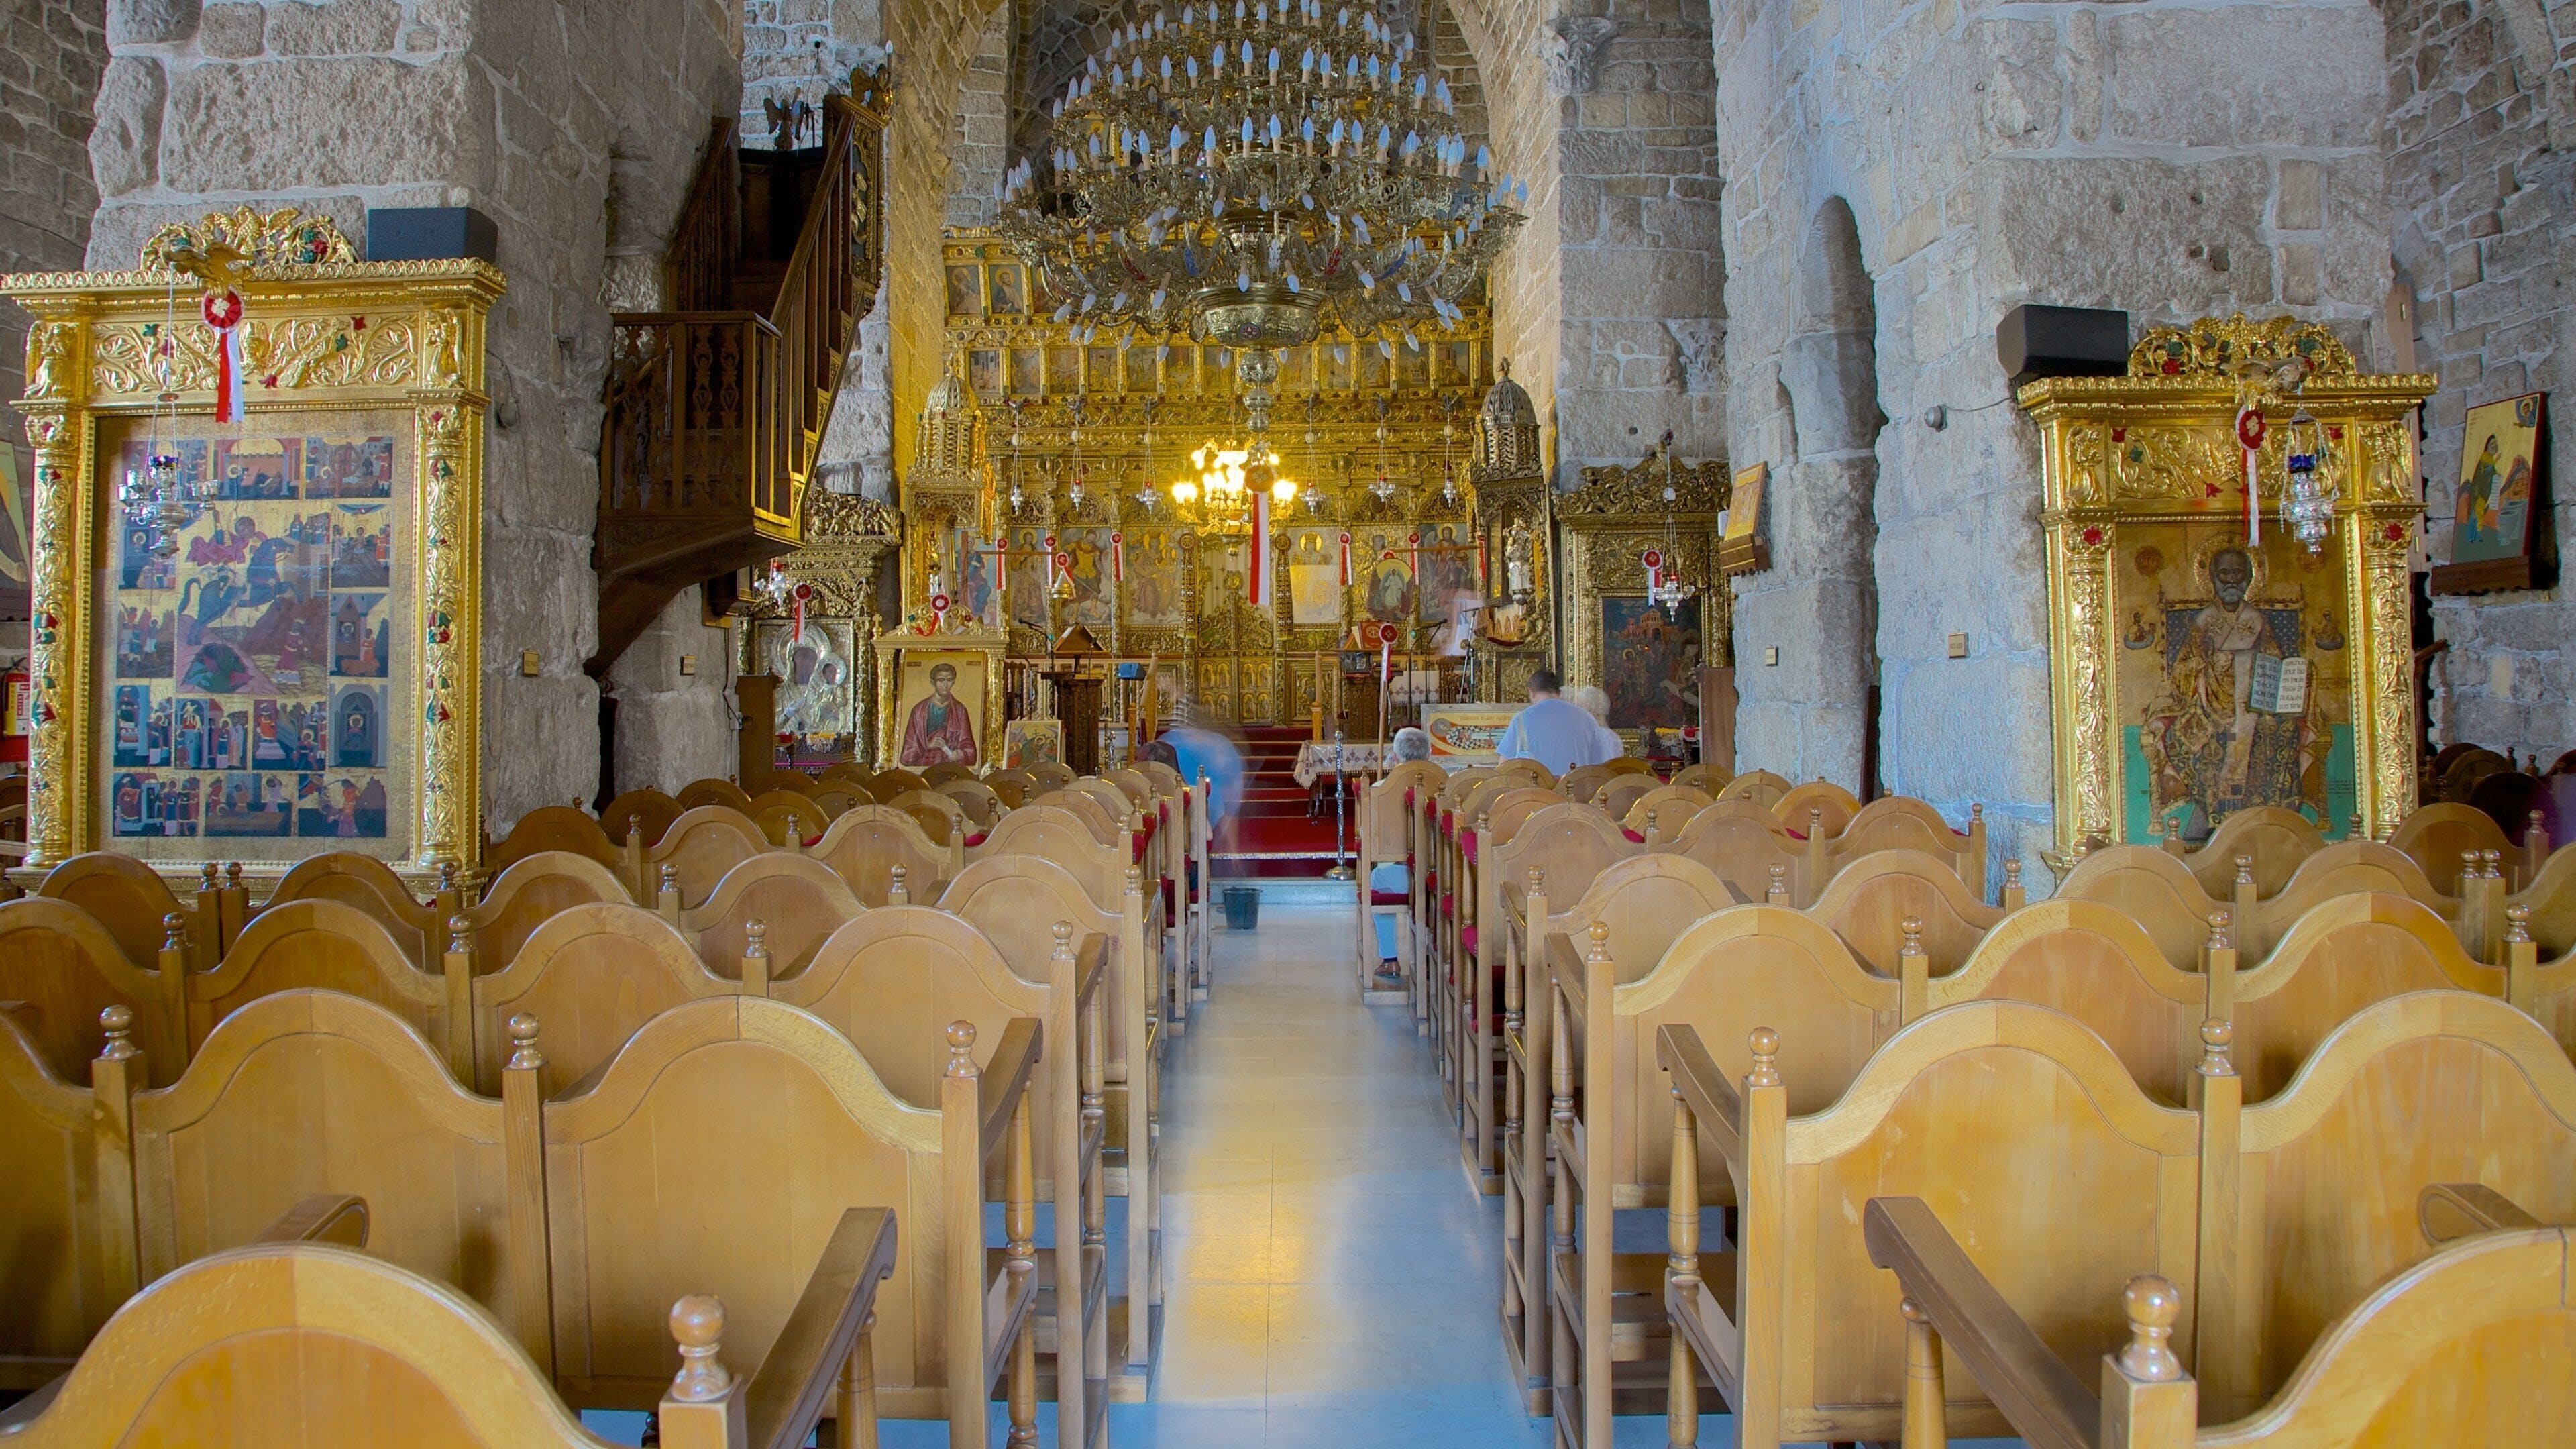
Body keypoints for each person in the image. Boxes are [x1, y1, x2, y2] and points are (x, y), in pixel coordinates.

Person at [1368, 727, 1436, 980]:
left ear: (1395, 758)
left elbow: (1371, 839)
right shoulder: (1446, 785)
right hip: (1438, 877)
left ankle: (1390, 960)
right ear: (1429, 755)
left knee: (1376, 879)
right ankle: (1433, 959)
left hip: (1401, 876)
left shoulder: (1380, 789)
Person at [1496, 669, 1621, 774]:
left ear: (1531, 692)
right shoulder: (1586, 717)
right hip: (1575, 796)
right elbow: (1600, 765)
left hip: (1536, 798)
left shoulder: (1522, 718)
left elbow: (1504, 766)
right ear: (1559, 692)